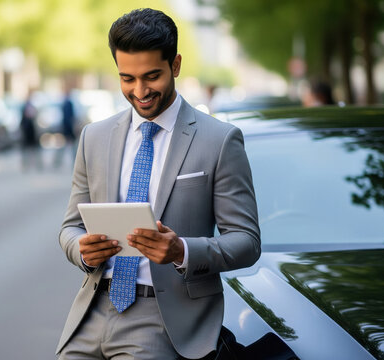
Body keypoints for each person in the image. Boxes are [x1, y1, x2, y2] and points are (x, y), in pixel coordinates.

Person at [57, 8, 261, 360]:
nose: (140, 91)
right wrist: (82, 250)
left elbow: (246, 241)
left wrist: (182, 250)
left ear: (176, 65)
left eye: (152, 76)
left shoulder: (220, 140)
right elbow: (70, 227)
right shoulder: (94, 136)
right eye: (127, 79)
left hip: (164, 319)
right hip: (91, 311)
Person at [19, 92, 42, 171]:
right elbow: (22, 120)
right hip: (27, 131)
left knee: (35, 149)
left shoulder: (32, 107)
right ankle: (26, 165)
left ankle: (37, 165)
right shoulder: (24, 107)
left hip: (32, 131)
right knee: (26, 149)